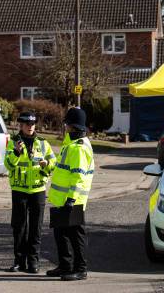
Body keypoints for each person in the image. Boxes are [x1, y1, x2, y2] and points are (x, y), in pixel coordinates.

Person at [46, 107, 94, 281]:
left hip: (72, 200)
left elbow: (78, 176)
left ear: (73, 127)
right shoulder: (71, 143)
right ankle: (65, 266)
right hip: (62, 199)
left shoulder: (79, 148)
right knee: (61, 234)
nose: (65, 126)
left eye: (67, 124)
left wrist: (71, 199)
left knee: (76, 235)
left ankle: (81, 269)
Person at [4, 112, 56, 273]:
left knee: (36, 227)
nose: (30, 126)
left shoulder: (42, 143)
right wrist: (17, 153)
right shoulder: (13, 142)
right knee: (19, 227)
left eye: (33, 123)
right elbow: (8, 165)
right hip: (19, 189)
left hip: (38, 190)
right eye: (27, 123)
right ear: (21, 125)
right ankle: (19, 261)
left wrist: (46, 163)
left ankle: (33, 262)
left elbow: (53, 162)